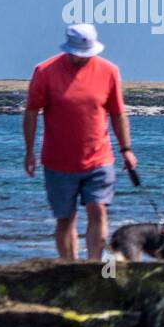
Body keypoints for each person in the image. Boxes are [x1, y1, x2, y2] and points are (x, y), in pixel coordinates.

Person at [23, 23, 137, 260]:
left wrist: (126, 149)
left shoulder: (109, 71)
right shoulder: (45, 71)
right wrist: (29, 152)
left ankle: (94, 267)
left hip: (99, 159)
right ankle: (69, 267)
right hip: (58, 162)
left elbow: (117, 113)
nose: (81, 59)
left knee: (98, 212)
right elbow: (32, 111)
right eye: (77, 54)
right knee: (66, 219)